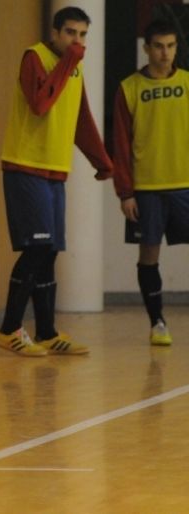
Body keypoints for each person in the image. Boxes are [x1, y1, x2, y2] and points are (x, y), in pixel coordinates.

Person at [0, 6, 113, 357]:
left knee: (49, 251)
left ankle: (46, 332)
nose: (77, 42)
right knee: (35, 249)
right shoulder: (35, 57)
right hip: (25, 166)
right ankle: (9, 329)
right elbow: (40, 103)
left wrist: (103, 161)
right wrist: (69, 61)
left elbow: (81, 118)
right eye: (71, 33)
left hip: (54, 170)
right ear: (55, 32)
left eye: (83, 35)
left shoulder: (73, 68)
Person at [112, 19, 189, 346]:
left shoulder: (187, 83)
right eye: (158, 46)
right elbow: (120, 144)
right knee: (149, 255)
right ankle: (157, 322)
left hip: (185, 184)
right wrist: (125, 192)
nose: (165, 53)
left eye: (170, 46)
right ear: (146, 48)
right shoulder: (129, 88)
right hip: (147, 189)